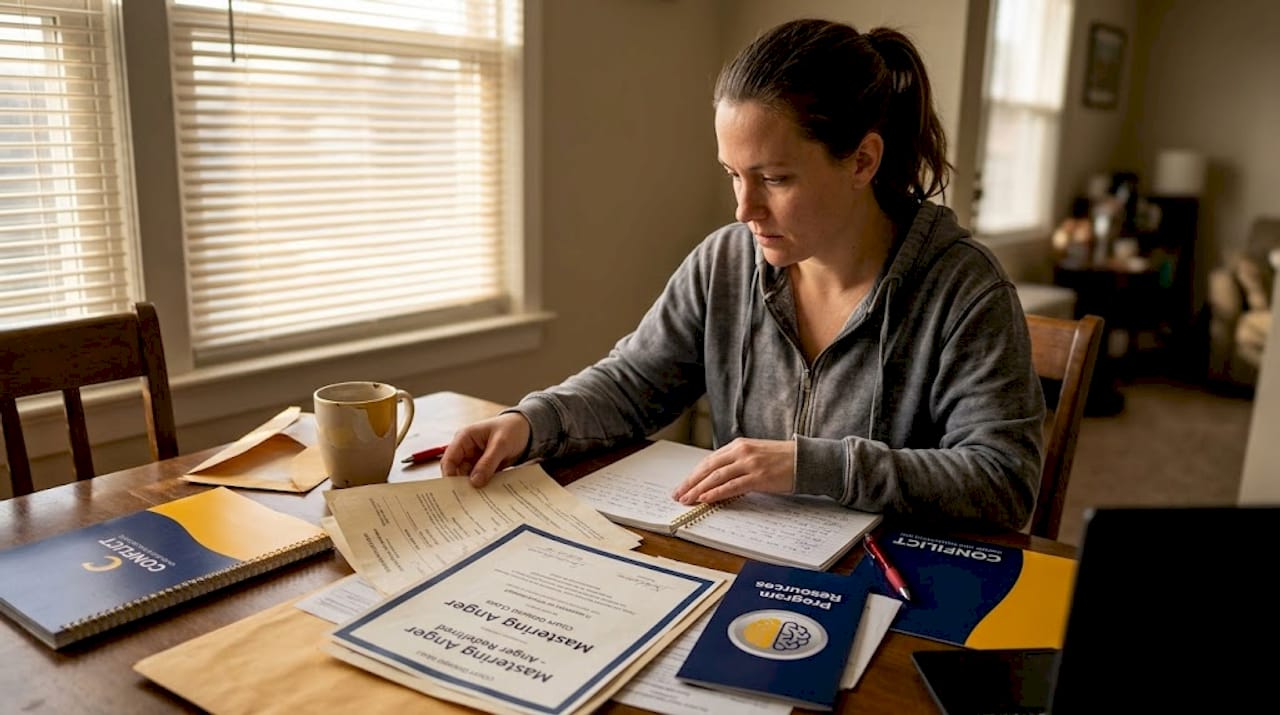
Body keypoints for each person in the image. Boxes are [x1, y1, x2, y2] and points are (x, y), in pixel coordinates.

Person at [442, 18, 1045, 531]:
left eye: (775, 179)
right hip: (741, 558)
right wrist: (529, 422)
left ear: (862, 160)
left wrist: (811, 466)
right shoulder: (725, 262)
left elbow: (1005, 481)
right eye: (734, 174)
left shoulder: (965, 290)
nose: (744, 209)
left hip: (894, 586)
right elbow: (632, 385)